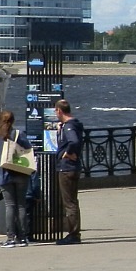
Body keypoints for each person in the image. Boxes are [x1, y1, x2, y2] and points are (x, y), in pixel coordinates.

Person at [0, 110, 33, 247]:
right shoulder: (19, 134)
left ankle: (10, 237)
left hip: (3, 174)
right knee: (21, 205)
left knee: (10, 205)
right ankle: (23, 237)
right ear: (13, 121)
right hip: (20, 173)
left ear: (0, 121)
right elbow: (29, 149)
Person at [55, 99, 85, 245]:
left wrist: (68, 153)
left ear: (59, 111)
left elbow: (73, 141)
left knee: (70, 202)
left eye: (55, 111)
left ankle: (73, 234)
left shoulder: (69, 126)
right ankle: (74, 233)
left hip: (67, 168)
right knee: (72, 201)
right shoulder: (72, 125)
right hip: (73, 167)